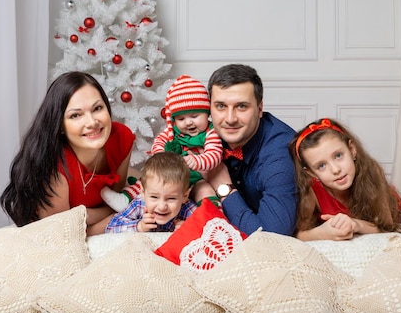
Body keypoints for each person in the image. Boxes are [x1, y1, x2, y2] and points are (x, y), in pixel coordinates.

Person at [0, 71, 135, 236]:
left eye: (97, 108)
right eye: (76, 115)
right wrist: (110, 215)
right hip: (54, 235)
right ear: (60, 125)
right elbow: (62, 233)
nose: (92, 122)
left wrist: (89, 215)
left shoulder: (121, 138)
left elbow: (117, 199)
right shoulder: (53, 165)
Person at [101, 74, 222, 212]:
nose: (188, 122)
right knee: (151, 180)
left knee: (205, 191)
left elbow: (215, 154)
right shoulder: (173, 131)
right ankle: (125, 199)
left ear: (207, 113)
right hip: (172, 177)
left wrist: (198, 160)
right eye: (181, 119)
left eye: (194, 116)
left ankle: (213, 215)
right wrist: (161, 154)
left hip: (196, 178)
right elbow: (159, 141)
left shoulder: (209, 132)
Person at [205, 64, 297, 236]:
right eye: (221, 106)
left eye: (241, 106)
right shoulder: (199, 138)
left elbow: (272, 236)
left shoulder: (280, 152)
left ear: (259, 109)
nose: (230, 119)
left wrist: (223, 187)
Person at [289, 117, 401, 241]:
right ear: (311, 172)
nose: (335, 170)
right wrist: (323, 233)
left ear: (352, 150)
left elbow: (386, 226)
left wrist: (355, 224)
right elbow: (298, 234)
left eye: (338, 155)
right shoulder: (312, 190)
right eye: (321, 166)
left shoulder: (372, 173)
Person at [105, 152, 197, 233]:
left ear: (185, 196)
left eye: (171, 198)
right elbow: (111, 228)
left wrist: (190, 231)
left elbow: (209, 229)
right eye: (154, 197)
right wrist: (139, 226)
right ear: (143, 193)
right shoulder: (139, 204)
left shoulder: (188, 210)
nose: (161, 207)